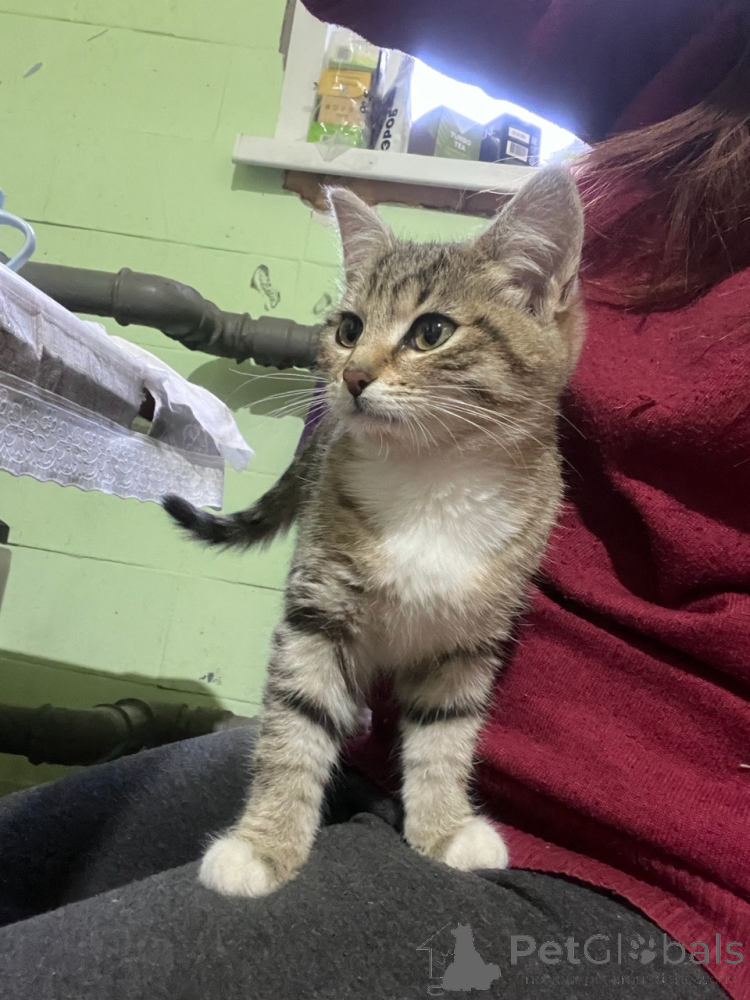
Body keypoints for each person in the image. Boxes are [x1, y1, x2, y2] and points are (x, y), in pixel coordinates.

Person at [1, 3, 748, 997]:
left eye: (423, 335)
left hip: (651, 868)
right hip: (364, 749)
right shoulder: (698, 54)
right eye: (351, 329)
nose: (358, 366)